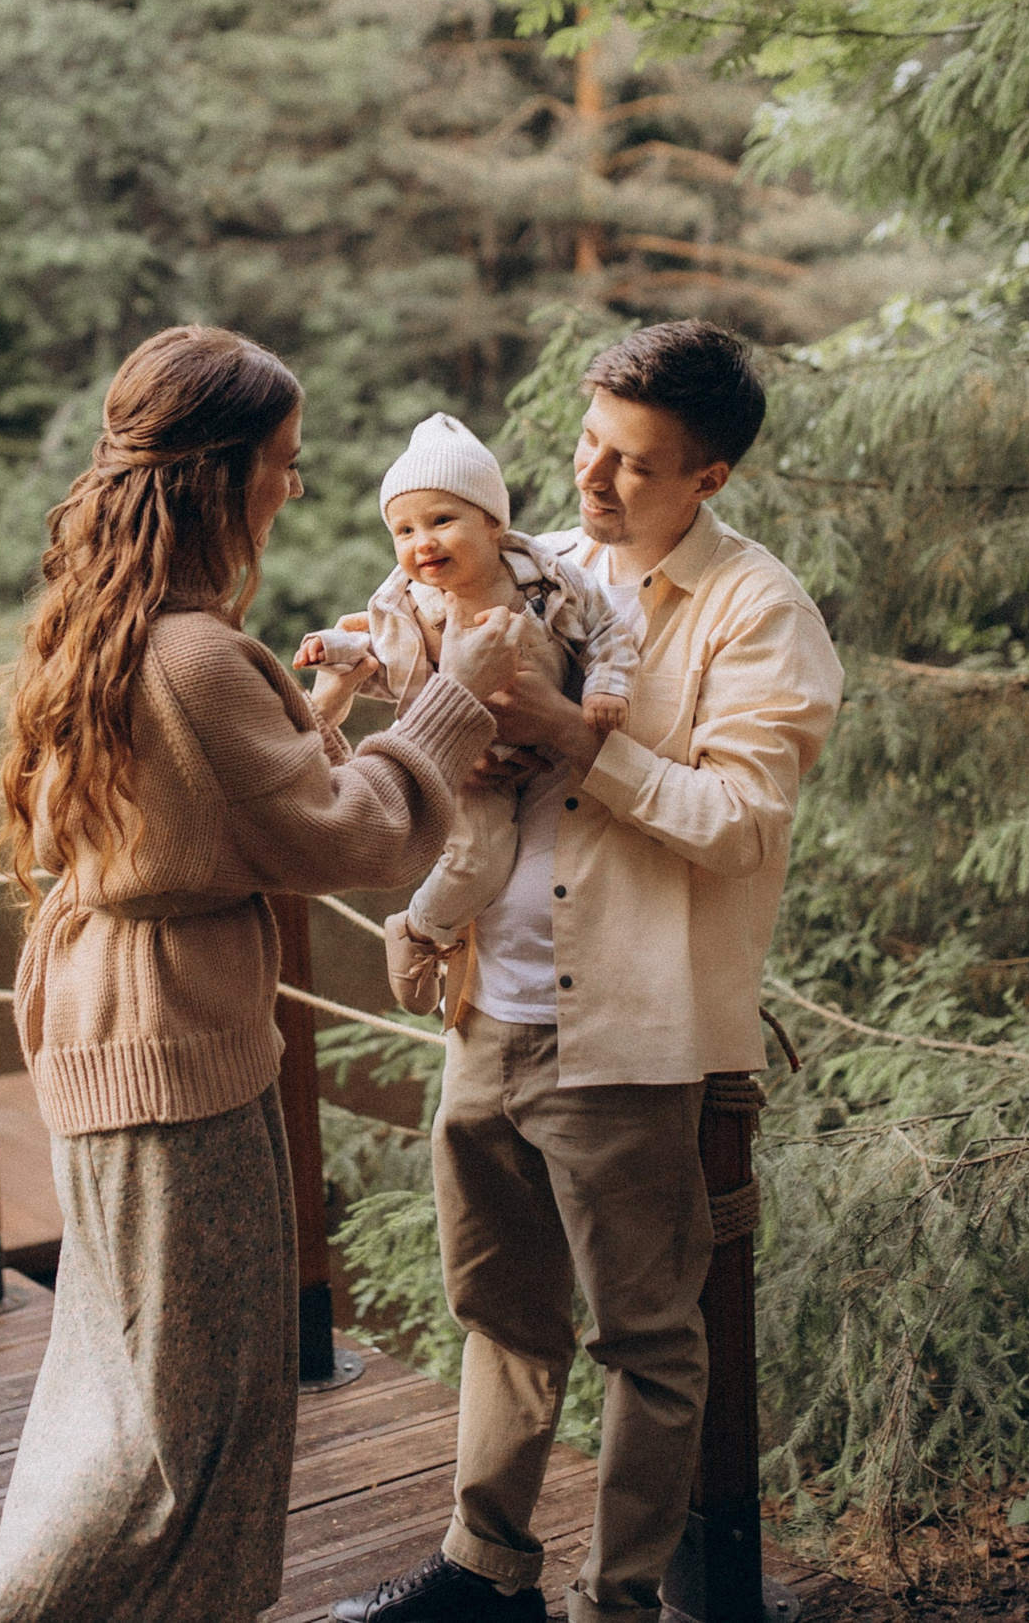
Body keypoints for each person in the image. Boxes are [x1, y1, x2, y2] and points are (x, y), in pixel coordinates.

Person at [0, 325, 521, 1623]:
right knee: (181, 1436)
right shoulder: (198, 658)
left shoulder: (101, 625)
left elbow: (196, 812)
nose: (293, 487)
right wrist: (452, 700)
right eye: (284, 462)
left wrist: (315, 718)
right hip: (175, 1064)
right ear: (220, 474)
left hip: (110, 1039)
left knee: (119, 1396)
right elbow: (349, 837)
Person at [331, 320, 844, 1623]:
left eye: (634, 464)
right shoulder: (532, 572)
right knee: (498, 1311)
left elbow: (741, 821)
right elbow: (415, 648)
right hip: (483, 1010)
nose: (593, 484)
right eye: (586, 445)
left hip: (629, 1033)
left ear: (710, 476)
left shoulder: (757, 610)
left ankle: (622, 1603)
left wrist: (578, 741)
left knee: (648, 1345)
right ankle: (485, 1577)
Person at [291, 412, 638, 1015]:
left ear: (492, 522)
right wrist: (337, 649)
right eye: (402, 531)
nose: (421, 542)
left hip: (544, 754)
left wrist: (607, 688)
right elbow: (382, 656)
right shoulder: (408, 605)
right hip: (462, 756)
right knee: (478, 857)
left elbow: (607, 631)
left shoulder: (545, 581)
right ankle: (421, 931)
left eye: (442, 521)